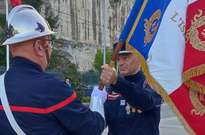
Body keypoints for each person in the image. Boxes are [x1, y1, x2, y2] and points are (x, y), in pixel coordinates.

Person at [0, 5, 105, 135]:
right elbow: (92, 128)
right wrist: (98, 99)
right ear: (39, 47)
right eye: (49, 42)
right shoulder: (51, 87)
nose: (51, 48)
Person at [100, 44, 162, 135]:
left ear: (139, 57)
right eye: (118, 59)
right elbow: (103, 120)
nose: (120, 63)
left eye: (125, 58)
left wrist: (117, 82)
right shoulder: (112, 87)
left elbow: (146, 101)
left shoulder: (152, 82)